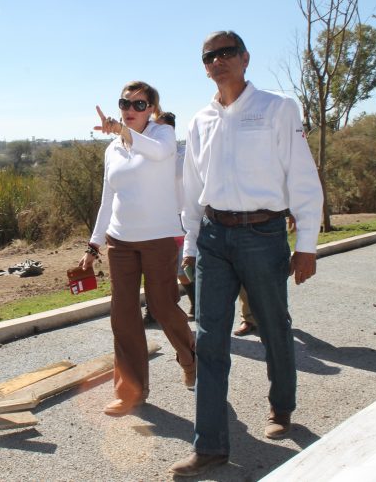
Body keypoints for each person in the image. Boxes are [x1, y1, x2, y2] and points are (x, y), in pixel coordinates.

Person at [170, 31, 323, 477]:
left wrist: (307, 245)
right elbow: (193, 190)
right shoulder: (201, 120)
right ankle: (211, 446)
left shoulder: (277, 108)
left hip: (264, 234)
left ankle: (282, 406)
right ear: (204, 66)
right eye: (209, 56)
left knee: (274, 326)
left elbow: (302, 177)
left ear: (244, 58)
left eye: (225, 53)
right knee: (211, 340)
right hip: (214, 237)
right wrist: (191, 246)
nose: (217, 61)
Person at [79, 81, 196, 417]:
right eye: (125, 103)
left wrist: (122, 131)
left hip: (159, 239)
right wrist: (94, 244)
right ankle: (131, 392)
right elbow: (108, 199)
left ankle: (189, 355)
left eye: (139, 105)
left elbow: (158, 154)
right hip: (121, 242)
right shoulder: (112, 150)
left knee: (162, 306)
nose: (130, 110)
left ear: (152, 109)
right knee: (123, 315)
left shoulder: (162, 136)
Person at [142, 111, 196, 325]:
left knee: (182, 268)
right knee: (151, 266)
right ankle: (152, 310)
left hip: (182, 218)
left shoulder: (185, 154)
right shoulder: (150, 156)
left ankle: (196, 301)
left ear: (170, 130)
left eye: (160, 127)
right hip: (156, 219)